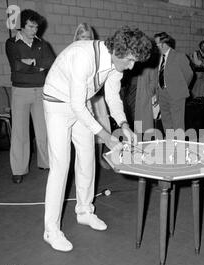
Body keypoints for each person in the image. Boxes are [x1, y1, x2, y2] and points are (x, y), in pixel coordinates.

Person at [42, 26, 152, 252]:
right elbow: (76, 106)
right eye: (131, 60)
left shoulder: (115, 63)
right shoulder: (83, 57)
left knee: (87, 158)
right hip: (57, 105)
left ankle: (84, 211)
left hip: (82, 104)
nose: (132, 66)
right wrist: (106, 136)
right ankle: (51, 231)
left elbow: (112, 96)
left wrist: (123, 125)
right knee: (61, 165)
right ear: (118, 51)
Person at [5, 9, 55, 184]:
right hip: (20, 92)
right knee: (19, 132)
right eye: (31, 26)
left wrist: (29, 63)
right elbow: (16, 66)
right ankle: (18, 169)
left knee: (44, 131)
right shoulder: (11, 43)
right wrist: (36, 65)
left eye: (37, 27)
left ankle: (46, 163)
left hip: (41, 91)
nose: (35, 30)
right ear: (22, 26)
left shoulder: (43, 44)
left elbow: (49, 62)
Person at [73, 22, 111, 169]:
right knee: (85, 128)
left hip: (96, 96)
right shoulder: (73, 52)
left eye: (88, 37)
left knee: (102, 124)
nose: (85, 40)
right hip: (80, 98)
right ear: (76, 38)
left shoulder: (96, 52)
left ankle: (100, 157)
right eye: (82, 37)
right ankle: (86, 160)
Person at [154, 32, 193, 131]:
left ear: (163, 44)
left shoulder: (179, 56)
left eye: (157, 44)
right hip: (162, 94)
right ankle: (170, 144)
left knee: (178, 124)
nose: (156, 46)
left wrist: (180, 87)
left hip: (176, 94)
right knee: (166, 122)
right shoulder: (158, 58)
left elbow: (189, 74)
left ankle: (179, 145)